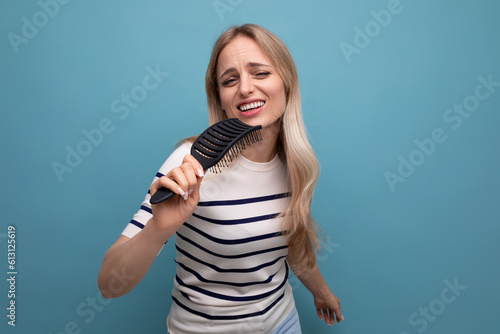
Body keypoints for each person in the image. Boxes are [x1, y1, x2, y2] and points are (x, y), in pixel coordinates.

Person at [98, 23, 343, 333]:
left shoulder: (294, 163)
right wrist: (157, 229)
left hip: (282, 323)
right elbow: (109, 285)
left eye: (261, 73)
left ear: (287, 82)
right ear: (221, 98)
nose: (244, 88)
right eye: (230, 80)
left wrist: (321, 293)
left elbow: (291, 243)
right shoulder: (190, 165)